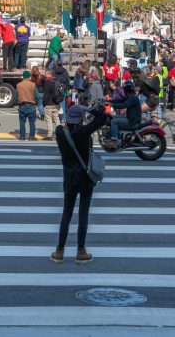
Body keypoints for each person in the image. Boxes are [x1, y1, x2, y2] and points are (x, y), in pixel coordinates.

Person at [51, 103, 108, 264]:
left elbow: (64, 125)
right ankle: (81, 251)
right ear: (80, 119)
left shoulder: (59, 132)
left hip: (69, 179)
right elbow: (103, 118)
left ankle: (59, 251)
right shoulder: (84, 133)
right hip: (85, 178)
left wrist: (82, 111)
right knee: (83, 214)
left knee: (66, 214)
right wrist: (91, 110)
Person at [107, 82, 140, 149]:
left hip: (132, 121)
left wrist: (112, 105)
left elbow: (124, 105)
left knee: (114, 121)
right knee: (112, 117)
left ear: (127, 89)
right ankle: (115, 135)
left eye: (124, 89)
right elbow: (120, 100)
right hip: (130, 118)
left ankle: (114, 141)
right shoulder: (131, 96)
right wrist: (110, 100)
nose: (123, 90)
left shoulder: (133, 97)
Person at [16, 70, 38, 140]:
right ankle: (31, 136)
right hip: (31, 105)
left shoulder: (18, 85)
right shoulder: (33, 84)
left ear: (23, 77)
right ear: (29, 77)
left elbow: (16, 95)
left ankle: (22, 136)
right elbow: (36, 96)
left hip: (21, 105)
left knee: (22, 122)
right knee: (32, 122)